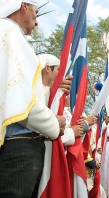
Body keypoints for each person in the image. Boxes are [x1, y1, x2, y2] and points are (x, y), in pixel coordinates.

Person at [0, 1, 65, 197]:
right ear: (24, 6)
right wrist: (55, 125)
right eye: (36, 14)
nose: (36, 23)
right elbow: (23, 101)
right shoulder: (11, 34)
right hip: (17, 148)